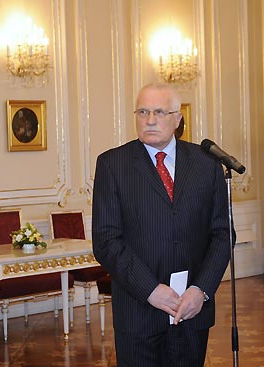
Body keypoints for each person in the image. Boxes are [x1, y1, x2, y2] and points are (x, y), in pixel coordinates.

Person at [92, 83, 232, 367]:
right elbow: (106, 241)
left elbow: (222, 234)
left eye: (159, 112)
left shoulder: (207, 164)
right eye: (143, 111)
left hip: (192, 310)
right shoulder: (112, 164)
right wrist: (151, 290)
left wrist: (201, 290)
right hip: (138, 310)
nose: (150, 119)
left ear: (178, 119)